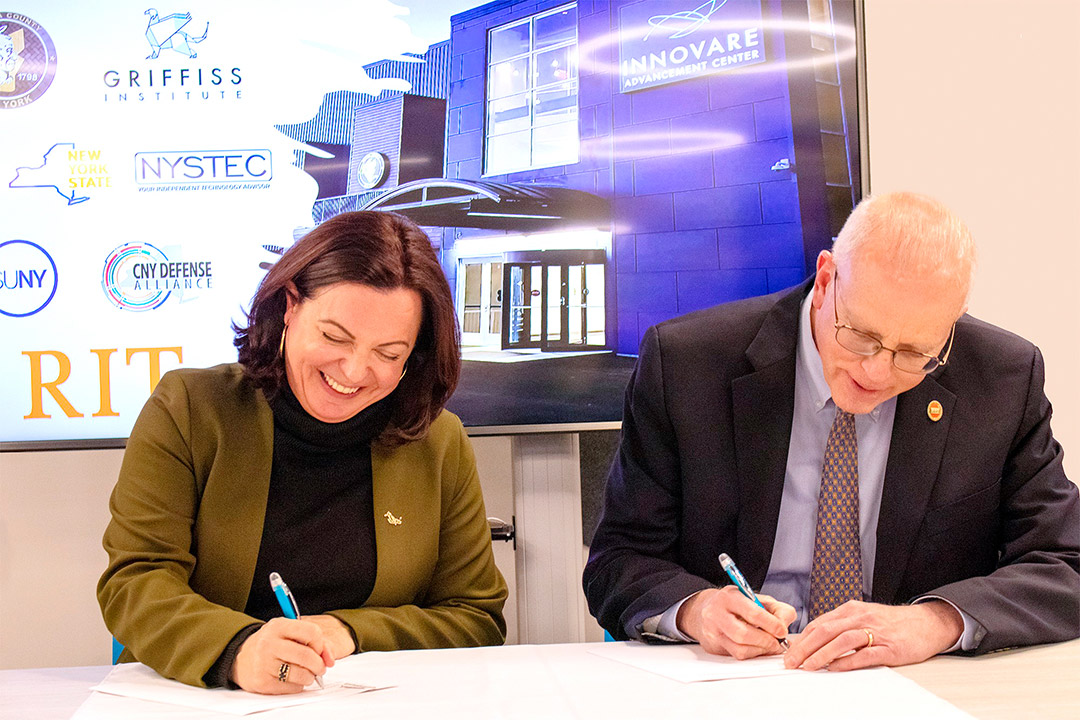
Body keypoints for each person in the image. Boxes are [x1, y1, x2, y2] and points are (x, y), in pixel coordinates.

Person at [583, 192, 1079, 671]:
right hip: (734, 679)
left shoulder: (1001, 378)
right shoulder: (689, 364)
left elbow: (1066, 563)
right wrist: (696, 609)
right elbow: (620, 560)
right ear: (825, 282)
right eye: (862, 336)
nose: (879, 373)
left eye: (914, 355)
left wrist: (933, 622)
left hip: (912, 684)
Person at [98, 211, 507, 693]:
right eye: (335, 336)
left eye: (389, 353)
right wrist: (237, 649)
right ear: (290, 305)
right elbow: (135, 581)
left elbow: (476, 618)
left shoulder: (438, 441)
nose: (355, 371)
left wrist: (350, 631)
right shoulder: (190, 409)